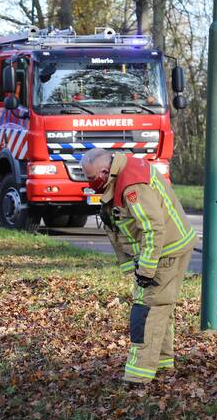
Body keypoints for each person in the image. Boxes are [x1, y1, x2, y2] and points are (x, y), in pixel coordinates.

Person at [80, 148, 196, 385]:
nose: (90, 184)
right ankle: (162, 364)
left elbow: (153, 229)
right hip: (174, 245)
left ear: (104, 171)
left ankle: (138, 376)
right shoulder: (127, 168)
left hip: (164, 252)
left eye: (91, 178)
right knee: (160, 307)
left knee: (145, 311)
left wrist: (146, 270)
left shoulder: (132, 187)